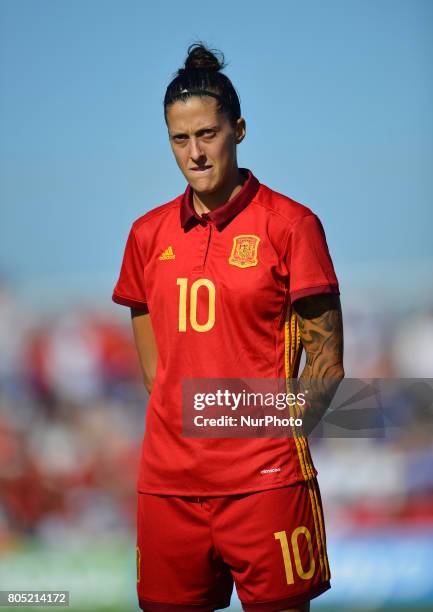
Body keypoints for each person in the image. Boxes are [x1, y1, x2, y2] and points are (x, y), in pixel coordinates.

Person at [112, 43, 344, 612]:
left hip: (265, 486)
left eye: (207, 134)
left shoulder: (292, 225)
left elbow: (326, 364)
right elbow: (155, 374)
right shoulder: (146, 235)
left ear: (238, 130)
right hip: (168, 488)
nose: (195, 153)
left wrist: (270, 445)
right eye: (179, 139)